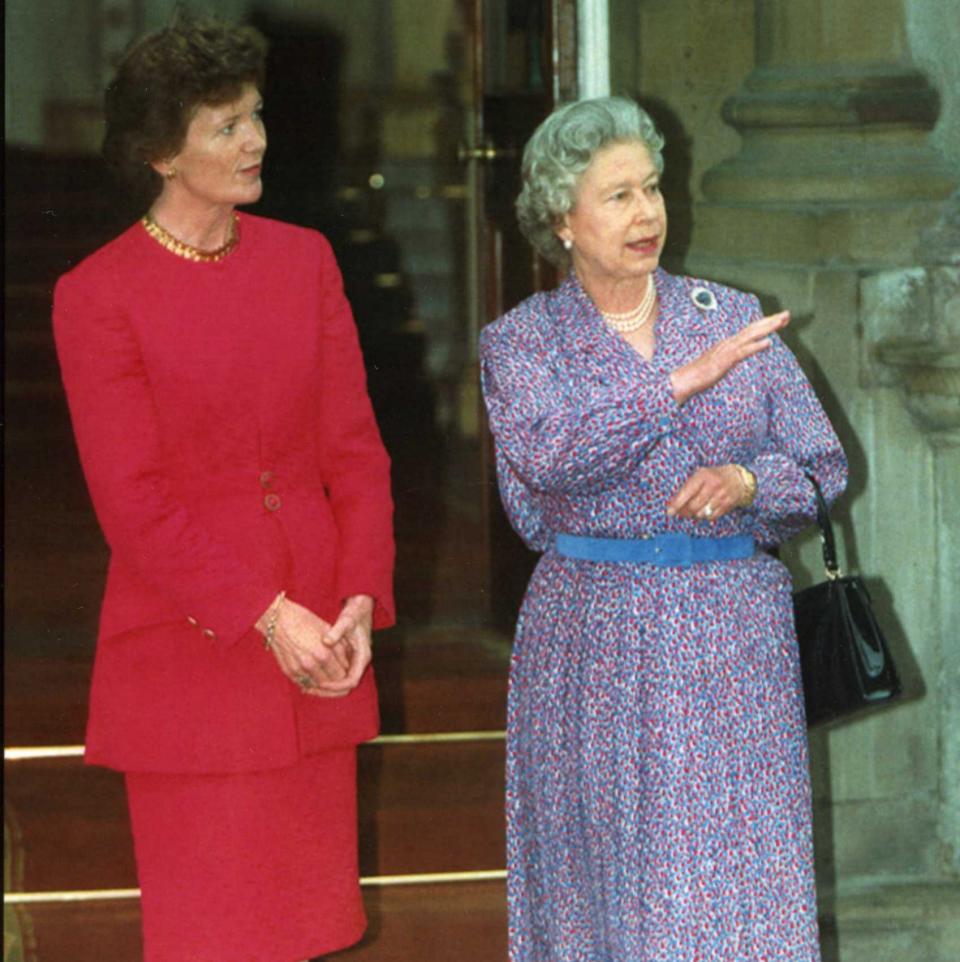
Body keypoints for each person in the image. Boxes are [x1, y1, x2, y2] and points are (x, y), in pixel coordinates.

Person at [52, 15, 394, 962]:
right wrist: (266, 615)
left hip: (322, 649)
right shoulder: (98, 294)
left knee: (314, 930)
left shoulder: (305, 259)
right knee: (217, 937)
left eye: (255, 117)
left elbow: (355, 452)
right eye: (226, 126)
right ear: (161, 152)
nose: (258, 142)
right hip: (195, 658)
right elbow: (133, 504)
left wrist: (358, 594)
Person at [479, 96, 847, 962]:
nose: (646, 213)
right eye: (617, 197)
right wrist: (678, 384)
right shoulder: (521, 344)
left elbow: (822, 468)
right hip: (591, 634)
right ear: (561, 219)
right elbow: (550, 462)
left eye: (652, 189)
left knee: (736, 877)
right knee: (606, 881)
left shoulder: (731, 314)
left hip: (731, 631)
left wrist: (749, 480)